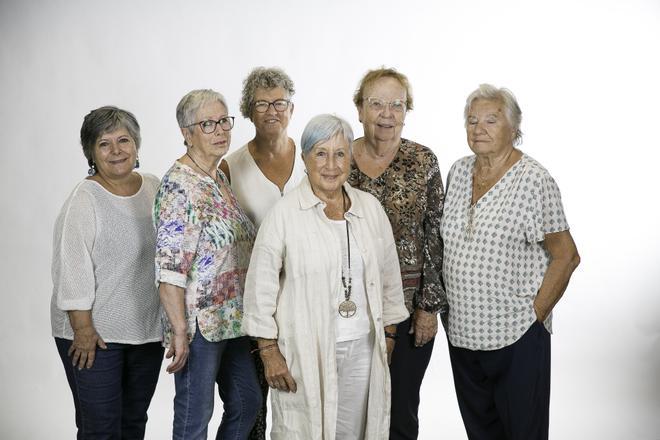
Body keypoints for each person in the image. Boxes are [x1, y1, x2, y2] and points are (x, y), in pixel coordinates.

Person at [242, 114, 409, 440]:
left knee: (353, 432)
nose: (331, 164)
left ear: (351, 157)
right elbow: (260, 289)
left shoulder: (370, 208)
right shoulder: (285, 215)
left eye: (340, 153)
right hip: (305, 348)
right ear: (304, 158)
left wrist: (388, 336)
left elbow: (389, 277)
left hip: (362, 345)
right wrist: (269, 352)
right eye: (321, 153)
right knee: (302, 431)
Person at [440, 84, 581, 440]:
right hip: (462, 333)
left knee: (523, 432)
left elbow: (567, 255)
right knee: (481, 432)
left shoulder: (535, 179)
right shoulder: (458, 172)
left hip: (515, 334)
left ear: (514, 128)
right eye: (472, 121)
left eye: (491, 120)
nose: (479, 128)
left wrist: (535, 315)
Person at [154, 89, 262, 439]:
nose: (220, 130)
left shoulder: (218, 178)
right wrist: (180, 331)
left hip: (232, 320)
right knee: (194, 417)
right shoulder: (178, 186)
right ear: (186, 133)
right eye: (208, 124)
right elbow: (169, 268)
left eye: (224, 121)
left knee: (247, 403)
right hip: (198, 325)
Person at [51, 106, 163, 439]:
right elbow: (71, 269)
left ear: (137, 146)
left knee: (132, 421)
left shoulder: (155, 188)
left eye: (123, 140)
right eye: (104, 144)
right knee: (100, 428)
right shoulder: (84, 200)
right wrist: (82, 329)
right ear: (91, 152)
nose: (116, 151)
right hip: (93, 335)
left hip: (146, 331)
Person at [348, 67, 446, 440]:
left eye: (396, 105)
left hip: (408, 311)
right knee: (353, 408)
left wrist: (428, 307)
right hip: (349, 309)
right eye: (376, 104)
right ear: (359, 110)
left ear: (406, 112)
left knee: (401, 410)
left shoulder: (423, 162)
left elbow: (437, 236)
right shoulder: (338, 159)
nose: (387, 114)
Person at [220, 67, 304, 439]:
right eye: (262, 103)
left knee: (301, 398)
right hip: (252, 302)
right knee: (250, 403)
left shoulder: (315, 159)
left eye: (280, 102)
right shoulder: (230, 167)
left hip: (305, 298)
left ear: (292, 108)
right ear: (249, 112)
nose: (272, 110)